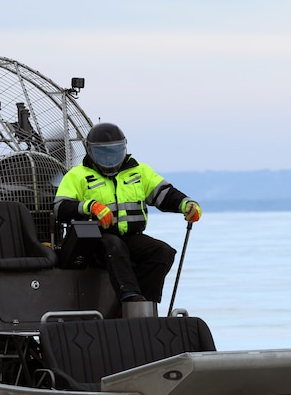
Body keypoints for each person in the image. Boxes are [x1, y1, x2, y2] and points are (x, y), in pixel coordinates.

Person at [54, 123, 201, 304]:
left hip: (129, 237)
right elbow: (60, 208)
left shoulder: (139, 171)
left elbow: (164, 193)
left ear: (124, 148)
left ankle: (146, 306)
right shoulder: (77, 175)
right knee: (114, 245)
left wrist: (187, 204)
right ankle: (129, 298)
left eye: (115, 151)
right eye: (103, 153)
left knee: (163, 252)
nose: (109, 158)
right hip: (92, 241)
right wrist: (90, 207)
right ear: (90, 152)